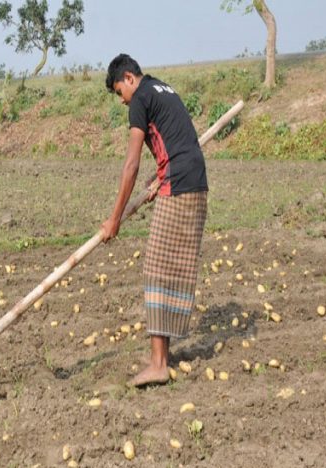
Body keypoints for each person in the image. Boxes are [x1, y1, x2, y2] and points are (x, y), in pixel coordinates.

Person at [101, 54, 208, 387]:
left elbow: (130, 165)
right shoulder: (163, 88)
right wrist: (157, 180)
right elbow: (174, 143)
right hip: (194, 182)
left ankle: (159, 363)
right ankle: (163, 355)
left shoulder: (140, 99)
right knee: (170, 267)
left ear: (130, 78)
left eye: (121, 91)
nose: (122, 101)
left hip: (179, 185)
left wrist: (114, 219)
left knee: (157, 268)